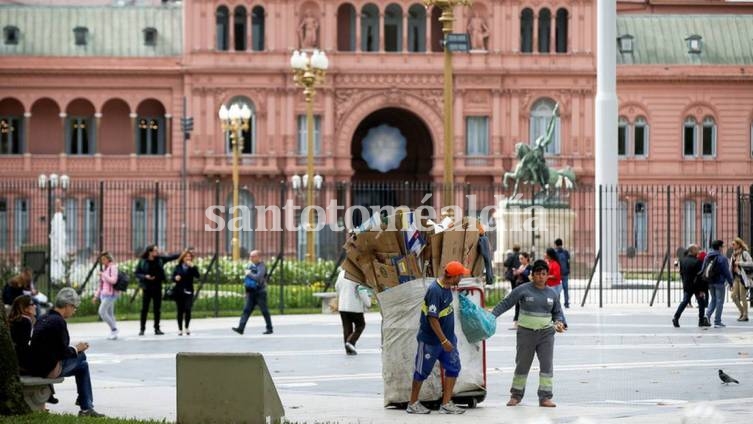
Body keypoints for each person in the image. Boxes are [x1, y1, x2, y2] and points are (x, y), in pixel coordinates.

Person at [491, 259, 566, 408]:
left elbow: (558, 313)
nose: (540, 277)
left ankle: (545, 397)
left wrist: (559, 323)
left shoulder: (552, 293)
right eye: (537, 274)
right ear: (532, 275)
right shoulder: (523, 289)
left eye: (543, 274)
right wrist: (492, 316)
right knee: (522, 365)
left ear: (547, 275)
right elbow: (506, 303)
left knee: (546, 366)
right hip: (526, 334)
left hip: (546, 335)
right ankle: (516, 395)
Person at [28, 288, 104, 417]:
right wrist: (76, 349)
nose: (74, 310)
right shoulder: (58, 322)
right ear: (68, 305)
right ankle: (85, 406)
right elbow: (62, 353)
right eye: (74, 307)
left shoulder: (44, 317)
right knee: (82, 356)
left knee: (82, 366)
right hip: (48, 368)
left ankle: (86, 406)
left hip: (36, 365)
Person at [406, 261, 468, 415]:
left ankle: (446, 404)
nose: (461, 278)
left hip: (447, 340)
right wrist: (444, 341)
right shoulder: (435, 291)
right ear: (452, 276)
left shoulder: (447, 288)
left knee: (454, 368)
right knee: (422, 371)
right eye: (460, 275)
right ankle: (412, 403)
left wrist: (449, 340)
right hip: (431, 341)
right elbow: (432, 319)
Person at [135, 244, 180, 336]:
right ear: (150, 252)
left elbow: (171, 257)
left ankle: (157, 328)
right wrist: (145, 276)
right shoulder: (143, 261)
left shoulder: (160, 259)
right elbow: (137, 273)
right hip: (147, 287)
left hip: (157, 287)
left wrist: (182, 253)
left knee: (157, 309)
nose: (157, 252)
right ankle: (142, 329)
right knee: (144, 309)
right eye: (155, 250)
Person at [232, 250, 273, 335]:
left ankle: (269, 328)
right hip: (251, 292)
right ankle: (241, 328)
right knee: (246, 310)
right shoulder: (250, 266)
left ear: (258, 257)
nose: (251, 258)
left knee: (264, 311)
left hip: (260, 292)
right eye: (250, 256)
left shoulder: (262, 266)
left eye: (253, 256)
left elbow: (258, 277)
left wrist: (249, 274)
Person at [335, 269, 371, 355]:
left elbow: (337, 287)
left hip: (343, 305)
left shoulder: (341, 273)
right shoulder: (357, 274)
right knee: (360, 325)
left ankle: (349, 349)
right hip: (355, 306)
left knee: (347, 327)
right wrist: (368, 303)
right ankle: (350, 342)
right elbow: (361, 290)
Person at [673, 244, 709, 328]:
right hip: (696, 286)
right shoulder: (697, 261)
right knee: (701, 303)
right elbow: (700, 276)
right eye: (696, 249)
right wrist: (702, 289)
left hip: (687, 285)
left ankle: (676, 317)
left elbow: (681, 273)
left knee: (685, 302)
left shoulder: (683, 260)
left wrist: (685, 283)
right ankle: (701, 321)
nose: (698, 251)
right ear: (692, 251)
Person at [704, 240, 734, 328]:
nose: (723, 248)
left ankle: (707, 316)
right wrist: (731, 282)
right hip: (719, 282)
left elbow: (703, 269)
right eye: (722, 246)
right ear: (720, 247)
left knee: (713, 300)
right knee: (719, 301)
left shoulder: (707, 257)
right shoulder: (722, 258)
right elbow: (726, 272)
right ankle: (717, 321)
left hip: (710, 282)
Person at [172, 249, 200, 336]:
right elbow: (172, 277)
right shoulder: (178, 267)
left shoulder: (192, 267)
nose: (188, 258)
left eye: (190, 256)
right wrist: (175, 278)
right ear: (183, 258)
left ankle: (187, 327)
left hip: (189, 291)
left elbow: (197, 276)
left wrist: (193, 267)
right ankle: (180, 329)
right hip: (179, 291)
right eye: (186, 256)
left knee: (188, 309)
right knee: (180, 310)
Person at [93, 252, 119, 340]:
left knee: (102, 312)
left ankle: (114, 329)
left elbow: (113, 281)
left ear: (108, 259)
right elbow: (101, 284)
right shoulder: (106, 268)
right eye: (101, 259)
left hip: (111, 295)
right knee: (111, 314)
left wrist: (103, 274)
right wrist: (96, 296)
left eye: (104, 259)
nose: (102, 261)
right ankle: (114, 332)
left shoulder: (113, 267)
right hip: (104, 295)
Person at [729, 237, 753, 322]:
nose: (732, 246)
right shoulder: (734, 254)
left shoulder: (744, 253)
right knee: (733, 296)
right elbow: (731, 266)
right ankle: (743, 312)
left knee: (743, 297)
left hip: (743, 277)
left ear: (739, 244)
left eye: (734, 244)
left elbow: (751, 263)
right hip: (736, 278)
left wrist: (739, 263)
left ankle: (745, 315)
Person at [509, 252, 532, 330]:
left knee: (527, 305)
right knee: (518, 305)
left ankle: (526, 322)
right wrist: (516, 273)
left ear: (526, 258)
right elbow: (516, 276)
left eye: (522, 258)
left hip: (526, 288)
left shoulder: (529, 267)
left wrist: (522, 272)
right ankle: (516, 323)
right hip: (519, 287)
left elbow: (529, 276)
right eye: (519, 259)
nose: (520, 260)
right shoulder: (521, 266)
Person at [554, 239, 571, 308]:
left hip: (558, 273)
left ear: (556, 244)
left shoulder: (555, 253)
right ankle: (566, 303)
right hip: (565, 272)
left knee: (557, 289)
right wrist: (568, 269)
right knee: (565, 288)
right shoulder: (566, 252)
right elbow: (568, 262)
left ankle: (558, 303)